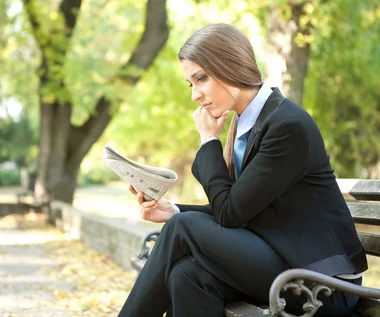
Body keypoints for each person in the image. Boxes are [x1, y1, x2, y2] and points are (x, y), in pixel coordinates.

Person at [117, 23, 368, 317]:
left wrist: (209, 141)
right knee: (187, 275)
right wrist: (175, 211)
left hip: (323, 284)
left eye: (201, 78)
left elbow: (229, 213)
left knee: (182, 229)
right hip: (284, 263)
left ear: (229, 65)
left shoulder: (287, 126)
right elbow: (239, 210)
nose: (195, 95)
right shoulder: (247, 125)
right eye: (191, 83)